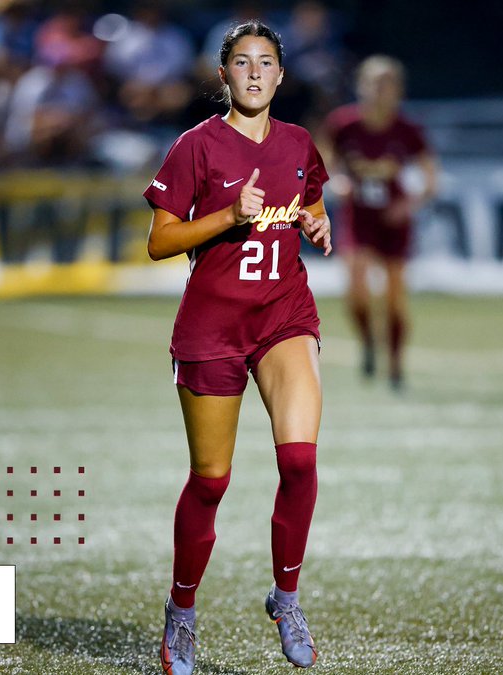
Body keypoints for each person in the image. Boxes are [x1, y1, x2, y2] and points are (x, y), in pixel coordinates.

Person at [143, 20, 331, 675]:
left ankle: (285, 597)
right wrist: (229, 217)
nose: (254, 73)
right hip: (211, 328)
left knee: (301, 462)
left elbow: (310, 196)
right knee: (211, 480)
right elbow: (160, 241)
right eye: (242, 63)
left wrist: (316, 218)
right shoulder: (196, 146)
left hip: (284, 316)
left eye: (266, 63)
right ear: (223, 75)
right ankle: (182, 612)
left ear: (281, 75)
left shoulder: (300, 143)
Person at [323, 56, 438, 391]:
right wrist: (338, 183)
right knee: (356, 290)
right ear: (361, 86)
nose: (379, 91)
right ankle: (368, 342)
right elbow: (325, 164)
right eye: (374, 83)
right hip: (358, 216)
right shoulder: (343, 124)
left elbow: (431, 179)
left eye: (387, 84)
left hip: (392, 219)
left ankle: (396, 365)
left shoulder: (407, 130)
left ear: (398, 90)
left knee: (393, 296)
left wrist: (408, 204)